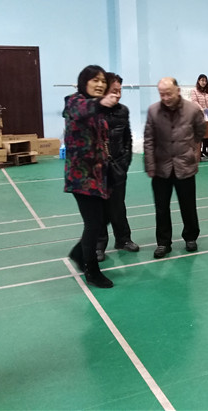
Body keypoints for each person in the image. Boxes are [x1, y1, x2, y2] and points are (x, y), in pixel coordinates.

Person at [63, 65, 119, 288]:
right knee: (94, 223)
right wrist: (101, 102)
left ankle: (79, 252)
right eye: (95, 80)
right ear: (84, 82)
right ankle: (92, 271)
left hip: (100, 174)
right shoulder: (74, 102)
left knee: (107, 217)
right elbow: (81, 110)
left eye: (103, 81)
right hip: (81, 176)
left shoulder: (97, 109)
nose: (100, 84)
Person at [144, 77, 206, 258]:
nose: (165, 98)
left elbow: (200, 132)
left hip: (185, 165)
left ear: (178, 91)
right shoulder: (153, 111)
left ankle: (191, 237)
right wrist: (150, 164)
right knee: (161, 208)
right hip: (161, 168)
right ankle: (163, 243)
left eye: (168, 93)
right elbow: (149, 139)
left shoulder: (193, 110)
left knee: (188, 206)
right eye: (162, 94)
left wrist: (190, 151)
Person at [95, 73, 139, 262]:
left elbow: (128, 138)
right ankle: (98, 245)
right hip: (98, 168)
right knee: (99, 208)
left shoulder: (123, 111)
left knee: (118, 205)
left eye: (120, 91)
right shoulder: (93, 111)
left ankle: (123, 239)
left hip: (118, 166)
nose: (118, 95)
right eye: (114, 91)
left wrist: (125, 161)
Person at [190, 74, 208, 156]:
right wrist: (202, 109)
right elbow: (194, 102)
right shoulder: (194, 90)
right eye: (202, 80)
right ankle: (198, 151)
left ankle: (205, 150)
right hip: (198, 115)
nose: (204, 82)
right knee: (200, 133)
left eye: (205, 81)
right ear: (198, 81)